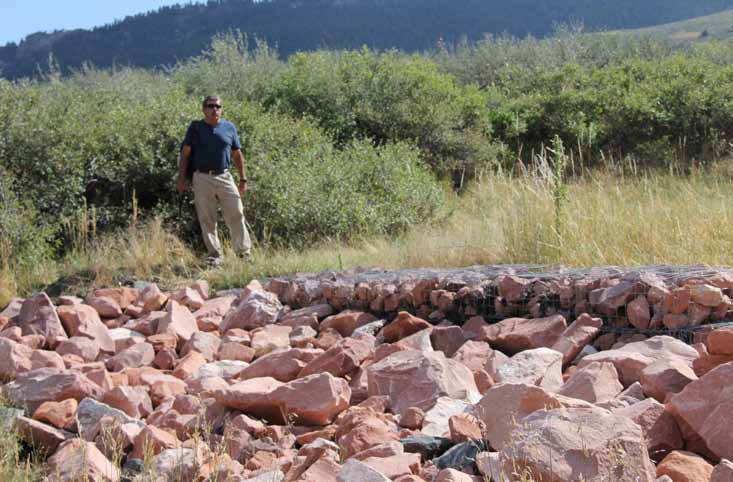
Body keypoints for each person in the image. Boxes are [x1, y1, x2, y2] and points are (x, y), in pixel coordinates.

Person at [177, 95, 252, 266]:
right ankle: (215, 255)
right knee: (207, 217)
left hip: (224, 175)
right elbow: (185, 153)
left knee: (236, 211)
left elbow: (237, 155)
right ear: (204, 109)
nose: (214, 110)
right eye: (210, 106)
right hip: (202, 177)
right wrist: (181, 179)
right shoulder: (196, 127)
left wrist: (243, 180)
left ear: (221, 109)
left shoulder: (229, 127)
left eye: (217, 106)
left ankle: (243, 253)